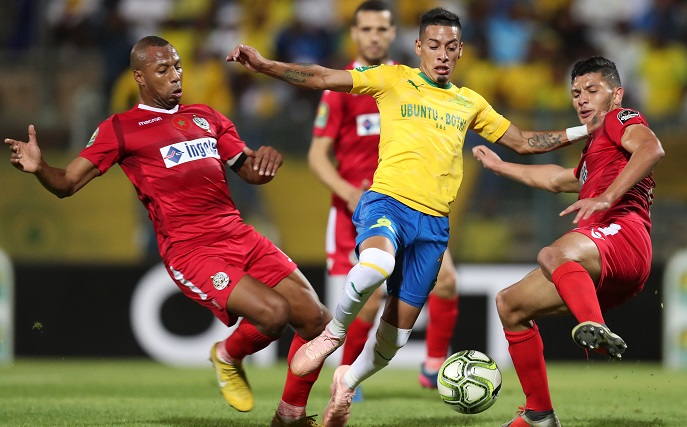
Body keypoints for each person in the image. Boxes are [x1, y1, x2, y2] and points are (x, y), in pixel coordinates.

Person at [228, 8, 590, 427]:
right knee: (376, 264)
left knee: (394, 339)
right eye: (433, 45)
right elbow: (324, 77)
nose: (441, 54)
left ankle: (347, 383)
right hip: (386, 204)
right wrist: (266, 65)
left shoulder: (469, 102)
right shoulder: (393, 78)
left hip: (434, 227)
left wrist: (585, 130)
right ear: (419, 47)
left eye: (450, 47)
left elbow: (524, 142)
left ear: (460, 52)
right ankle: (333, 335)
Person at [5, 36, 330, 427]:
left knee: (317, 321)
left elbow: (246, 169)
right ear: (140, 77)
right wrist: (41, 168)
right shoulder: (120, 129)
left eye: (177, 66)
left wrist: (263, 164)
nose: (176, 76)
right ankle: (228, 354)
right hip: (192, 251)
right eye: (163, 70)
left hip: (239, 234)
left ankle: (289, 417)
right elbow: (67, 184)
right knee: (274, 315)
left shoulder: (207, 116)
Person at [472, 56, 664, 427]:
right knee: (510, 305)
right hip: (600, 261)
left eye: (592, 90)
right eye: (576, 93)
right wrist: (500, 167)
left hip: (623, 233)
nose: (582, 99)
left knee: (552, 252)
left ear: (616, 94)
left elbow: (651, 148)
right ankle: (539, 415)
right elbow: (558, 179)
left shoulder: (619, 119)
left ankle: (594, 325)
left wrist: (607, 198)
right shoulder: (596, 148)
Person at [307, 0, 459, 397]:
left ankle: (433, 366)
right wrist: (348, 192)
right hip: (359, 206)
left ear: (394, 36)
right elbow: (316, 156)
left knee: (446, 281)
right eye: (367, 29)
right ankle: (345, 375)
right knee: (372, 298)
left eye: (381, 29)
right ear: (355, 34)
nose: (374, 36)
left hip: (411, 202)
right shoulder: (345, 87)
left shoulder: (409, 81)